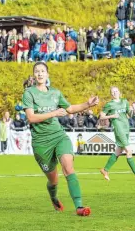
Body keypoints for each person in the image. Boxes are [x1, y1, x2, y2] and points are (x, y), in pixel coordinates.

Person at [22, 62, 99, 216]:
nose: (40, 73)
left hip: (58, 136)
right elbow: (31, 117)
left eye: (43, 71)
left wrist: (87, 104)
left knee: (68, 168)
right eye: (37, 71)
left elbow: (70, 109)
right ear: (34, 75)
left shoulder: (55, 93)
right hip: (41, 142)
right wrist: (54, 113)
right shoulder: (29, 93)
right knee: (54, 180)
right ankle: (54, 197)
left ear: (47, 74)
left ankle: (79, 207)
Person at [99, 87, 135, 181]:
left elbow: (129, 115)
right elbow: (102, 116)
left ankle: (105, 170)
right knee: (129, 151)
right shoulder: (109, 104)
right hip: (118, 128)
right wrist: (112, 116)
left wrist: (134, 111)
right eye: (113, 92)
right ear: (111, 94)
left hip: (126, 128)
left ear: (119, 92)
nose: (115, 93)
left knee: (118, 151)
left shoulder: (124, 101)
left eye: (116, 91)